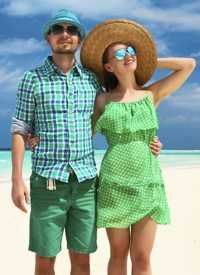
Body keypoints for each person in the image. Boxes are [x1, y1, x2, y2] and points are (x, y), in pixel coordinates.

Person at [11, 10, 162, 275]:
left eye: (71, 30)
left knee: (82, 261)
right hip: (47, 181)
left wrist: (144, 142)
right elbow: (20, 128)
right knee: (45, 261)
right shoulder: (32, 79)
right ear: (48, 37)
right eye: (58, 29)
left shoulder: (93, 81)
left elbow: (118, 112)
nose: (65, 34)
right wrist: (16, 179)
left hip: (86, 184)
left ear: (79, 39)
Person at [80, 19, 196, 275]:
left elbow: (188, 65)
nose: (128, 56)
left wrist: (148, 59)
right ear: (109, 66)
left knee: (142, 258)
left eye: (131, 51)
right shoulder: (102, 100)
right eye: (120, 53)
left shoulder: (150, 95)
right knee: (118, 255)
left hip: (147, 182)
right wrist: (40, 138)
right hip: (113, 183)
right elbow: (81, 133)